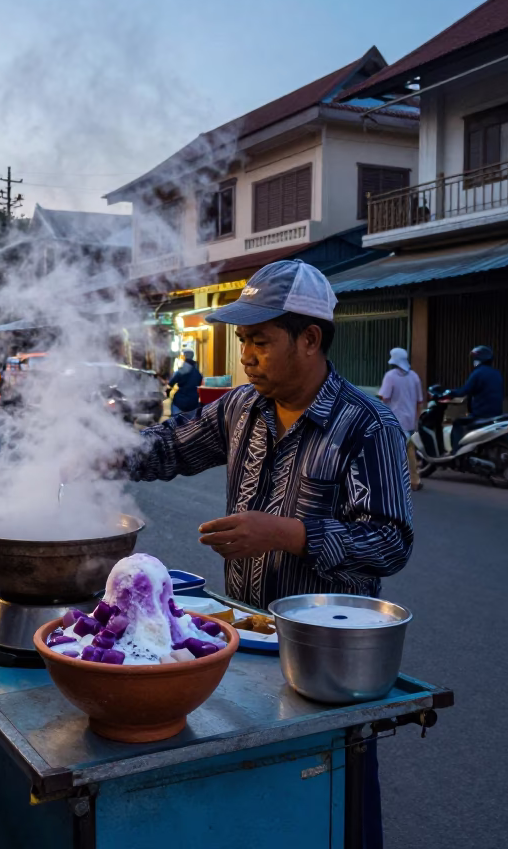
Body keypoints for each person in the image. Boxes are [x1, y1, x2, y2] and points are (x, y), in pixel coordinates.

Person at [109, 260, 411, 846]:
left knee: (331, 808)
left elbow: (389, 542)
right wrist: (104, 451)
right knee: (245, 806)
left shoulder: (367, 425)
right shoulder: (241, 407)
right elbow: (170, 448)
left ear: (310, 339)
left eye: (260, 341)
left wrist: (287, 533)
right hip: (240, 643)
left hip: (325, 662)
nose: (246, 355)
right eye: (242, 340)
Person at [377, 347, 424, 491]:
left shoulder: (390, 376)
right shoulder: (414, 376)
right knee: (410, 451)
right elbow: (419, 401)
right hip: (409, 421)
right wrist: (416, 420)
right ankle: (414, 480)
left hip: (394, 420)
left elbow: (384, 398)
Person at [166, 349, 203, 415]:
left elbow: (170, 385)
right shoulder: (198, 373)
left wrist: (167, 393)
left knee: (175, 422)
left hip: (180, 402)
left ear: (184, 357)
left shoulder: (181, 371)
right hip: (193, 403)